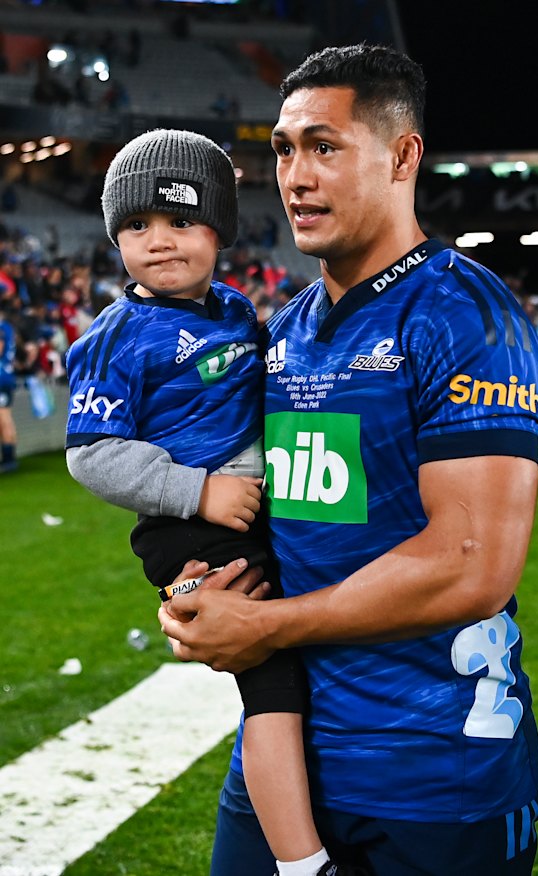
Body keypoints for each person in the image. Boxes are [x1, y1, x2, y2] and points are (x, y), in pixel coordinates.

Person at [158, 45, 538, 875]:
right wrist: (199, 586)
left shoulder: (465, 316)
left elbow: (469, 564)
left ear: (403, 155)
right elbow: (267, 511)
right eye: (283, 149)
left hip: (436, 775)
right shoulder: (283, 329)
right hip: (287, 767)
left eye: (325, 146)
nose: (295, 176)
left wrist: (262, 628)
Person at [64, 128, 349, 876]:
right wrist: (198, 489)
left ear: (220, 229)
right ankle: (300, 862)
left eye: (181, 221)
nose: (158, 241)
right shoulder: (117, 336)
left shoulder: (230, 309)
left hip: (250, 511)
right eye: (135, 226)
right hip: (189, 523)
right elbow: (90, 454)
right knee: (273, 686)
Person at [0, 302, 18, 473]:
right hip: (6, 375)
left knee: (4, 418)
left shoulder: (1, 327)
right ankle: (9, 458)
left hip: (1, 376)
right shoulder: (8, 327)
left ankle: (8, 460)